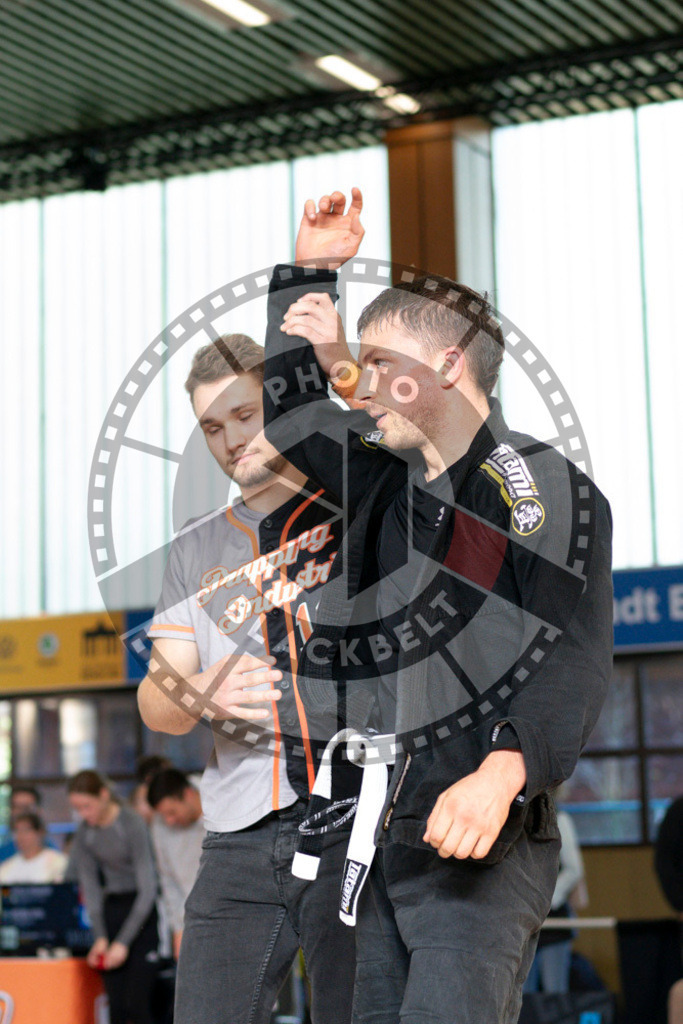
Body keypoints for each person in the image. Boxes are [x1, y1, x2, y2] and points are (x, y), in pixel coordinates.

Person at [262, 187, 614, 1024]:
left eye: (382, 366)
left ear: (448, 366)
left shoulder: (540, 491)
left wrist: (503, 772)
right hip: (372, 837)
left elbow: (570, 650)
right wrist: (308, 273)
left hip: (479, 841)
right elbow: (296, 415)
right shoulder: (379, 477)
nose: (361, 380)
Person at [137, 333, 358, 1024]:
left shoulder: (357, 513)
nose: (230, 439)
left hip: (351, 816)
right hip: (237, 831)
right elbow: (155, 701)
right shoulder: (195, 545)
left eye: (244, 414)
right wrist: (196, 693)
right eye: (211, 427)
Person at [68, 770, 159, 1024]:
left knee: (137, 1005)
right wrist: (101, 937)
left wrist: (123, 942)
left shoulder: (131, 823)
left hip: (140, 913)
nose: (84, 814)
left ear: (104, 795)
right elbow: (92, 889)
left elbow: (148, 888)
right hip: (112, 911)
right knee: (116, 1007)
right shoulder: (85, 833)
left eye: (87, 806)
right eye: (78, 809)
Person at [523, 808, 586, 993]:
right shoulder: (513, 815)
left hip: (553, 919)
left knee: (555, 994)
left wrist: (546, 899)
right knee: (521, 995)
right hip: (523, 920)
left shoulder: (559, 817)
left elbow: (574, 870)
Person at [146, 768, 205, 960]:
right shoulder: (160, 824)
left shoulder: (221, 801)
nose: (169, 821)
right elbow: (168, 880)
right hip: (193, 922)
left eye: (172, 812)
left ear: (188, 794)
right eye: (164, 815)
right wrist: (178, 929)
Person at [0, 811, 67, 883]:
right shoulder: (6, 867)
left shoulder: (58, 862)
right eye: (16, 831)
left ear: (40, 832)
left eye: (26, 830)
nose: (20, 836)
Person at [0, 785, 58, 861]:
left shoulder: (51, 855)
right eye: (17, 807)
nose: (21, 812)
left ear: (38, 811)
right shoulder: (4, 849)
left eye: (27, 807)